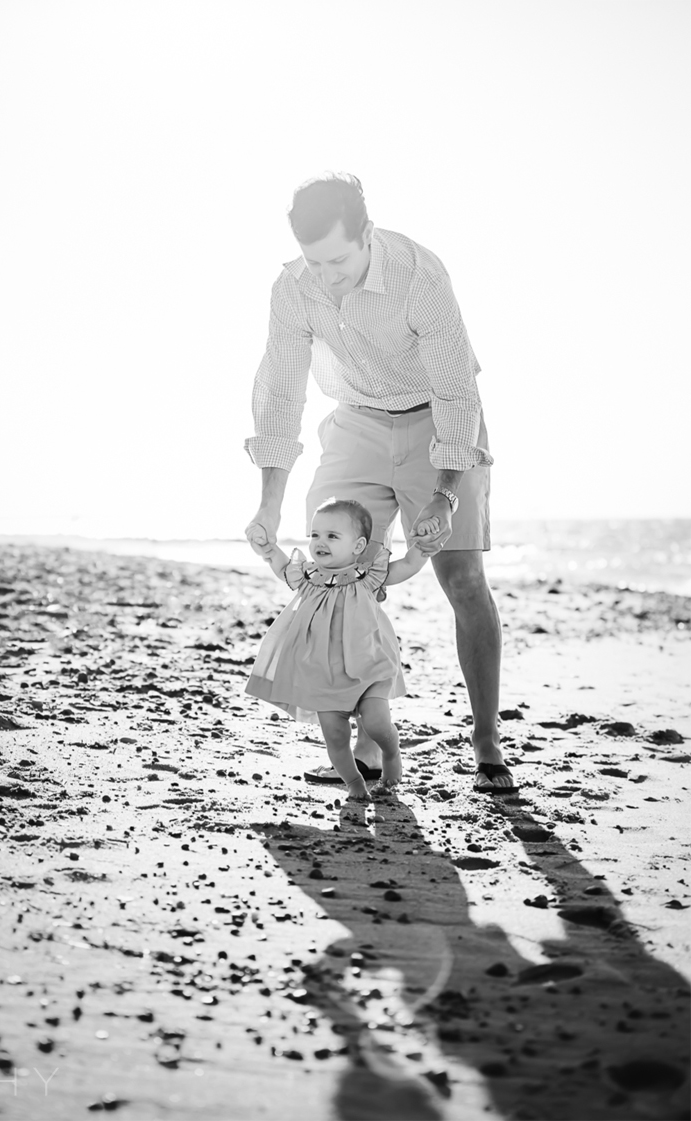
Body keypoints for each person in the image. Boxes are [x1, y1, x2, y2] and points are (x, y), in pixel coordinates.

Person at [243, 173, 514, 793]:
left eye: (338, 259)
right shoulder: (295, 287)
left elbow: (454, 390)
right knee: (337, 579)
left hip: (437, 423)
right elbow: (279, 391)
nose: (327, 275)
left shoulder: (418, 273)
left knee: (462, 577)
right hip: (356, 424)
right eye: (315, 261)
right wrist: (268, 503)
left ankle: (486, 734)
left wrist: (445, 493)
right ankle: (369, 735)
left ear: (366, 233)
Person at [246, 497, 437, 802]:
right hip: (322, 672)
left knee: (376, 722)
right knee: (335, 735)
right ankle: (354, 783)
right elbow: (281, 565)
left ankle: (390, 753)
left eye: (332, 536)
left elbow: (408, 565)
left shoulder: (368, 577)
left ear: (358, 546)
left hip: (369, 665)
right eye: (315, 535)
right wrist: (267, 548)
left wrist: (424, 546)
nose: (320, 542)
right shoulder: (307, 577)